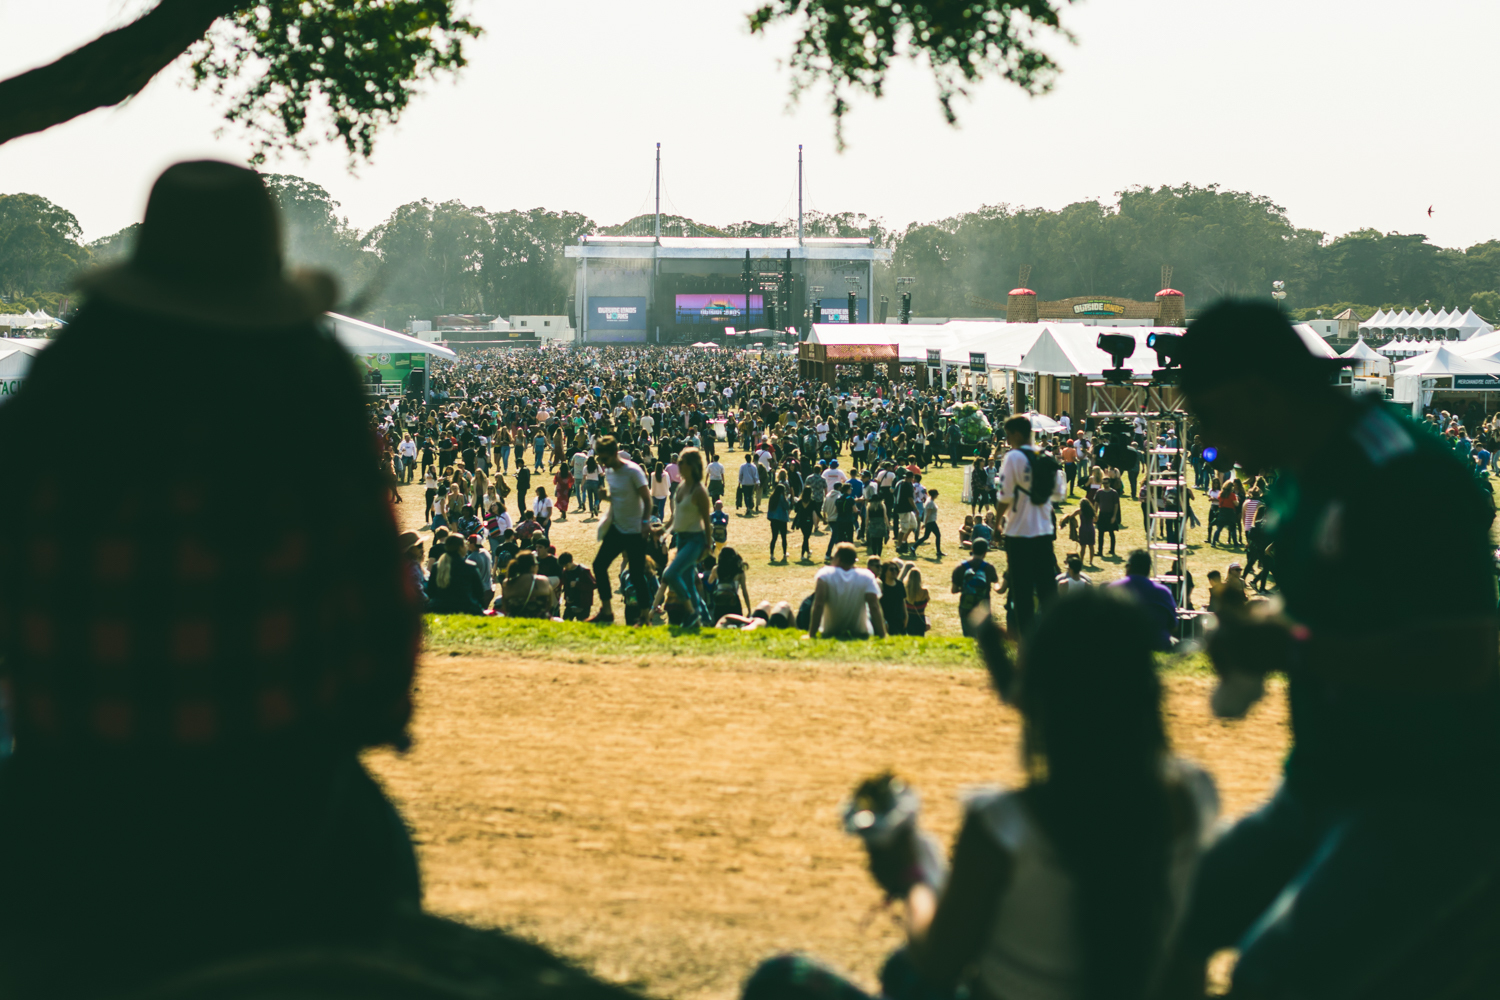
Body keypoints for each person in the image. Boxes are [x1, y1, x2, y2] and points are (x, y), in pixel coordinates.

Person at [0, 161, 427, 998]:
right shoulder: (309, 389)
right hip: (279, 801)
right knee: (387, 890)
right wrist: (377, 713)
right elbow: (382, 599)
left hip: (70, 788)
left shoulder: (61, 387)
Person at [1165, 299, 1500, 998]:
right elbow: (1341, 606)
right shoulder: (1303, 470)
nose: (1211, 444)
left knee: (1274, 976)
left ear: (1257, 392)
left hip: (1433, 798)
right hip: (1328, 781)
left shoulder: (1406, 474)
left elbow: (1468, 654)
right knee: (1168, 919)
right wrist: (1265, 631)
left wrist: (1293, 649)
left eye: (1209, 418)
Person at [744, 589, 1218, 1000]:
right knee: (895, 970)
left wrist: (911, 876)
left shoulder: (1003, 826)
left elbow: (937, 963)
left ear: (1039, 702)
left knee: (780, 979)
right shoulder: (1195, 797)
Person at [995, 414, 1066, 634]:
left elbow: (1005, 496)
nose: (1006, 439)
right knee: (1047, 588)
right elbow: (1058, 493)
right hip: (1044, 529)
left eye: (1008, 435)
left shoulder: (1013, 457)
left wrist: (998, 523)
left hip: (1018, 531)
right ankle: (1055, 637)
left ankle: (1026, 643)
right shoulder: (1046, 457)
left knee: (1022, 591)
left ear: (1016, 434)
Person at [588, 435, 651, 625]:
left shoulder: (633, 471)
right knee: (599, 565)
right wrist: (605, 497)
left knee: (638, 574)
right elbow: (619, 498)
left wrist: (646, 522)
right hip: (617, 527)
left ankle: (645, 617)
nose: (602, 462)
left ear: (615, 453)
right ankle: (606, 611)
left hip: (634, 530)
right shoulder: (610, 472)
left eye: (604, 458)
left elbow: (647, 499)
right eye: (599, 458)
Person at [660, 447, 715, 628]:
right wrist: (661, 530)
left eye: (681, 462)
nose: (678, 465)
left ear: (691, 466)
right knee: (690, 583)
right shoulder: (681, 487)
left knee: (670, 573)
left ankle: (691, 614)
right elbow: (675, 517)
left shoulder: (699, 491)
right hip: (681, 539)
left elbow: (707, 522)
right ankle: (704, 619)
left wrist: (708, 545)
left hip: (695, 541)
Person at [806, 542, 887, 639]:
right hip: (860, 632)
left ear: (838, 559)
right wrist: (883, 635)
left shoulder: (825, 574)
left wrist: (812, 634)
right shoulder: (866, 576)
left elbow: (818, 604)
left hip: (830, 631)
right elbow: (874, 606)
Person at [1107, 550, 1176, 650]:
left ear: (1129, 567)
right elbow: (1173, 625)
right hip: (1156, 647)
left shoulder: (1113, 590)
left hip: (1120, 647)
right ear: (1148, 569)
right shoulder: (1163, 592)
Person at [951, 537, 1001, 636]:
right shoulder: (989, 568)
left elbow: (954, 590)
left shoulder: (960, 568)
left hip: (966, 606)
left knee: (968, 637)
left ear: (972, 550)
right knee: (983, 639)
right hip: (983, 607)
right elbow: (995, 581)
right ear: (985, 552)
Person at [498, 552, 555, 618]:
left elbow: (506, 607)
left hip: (515, 621)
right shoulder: (543, 581)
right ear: (532, 567)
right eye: (537, 564)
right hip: (540, 619)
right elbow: (549, 604)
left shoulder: (507, 583)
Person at [708, 546, 751, 621]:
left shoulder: (716, 569)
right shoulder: (739, 572)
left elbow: (710, 581)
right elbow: (744, 592)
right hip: (733, 603)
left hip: (719, 602)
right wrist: (749, 609)